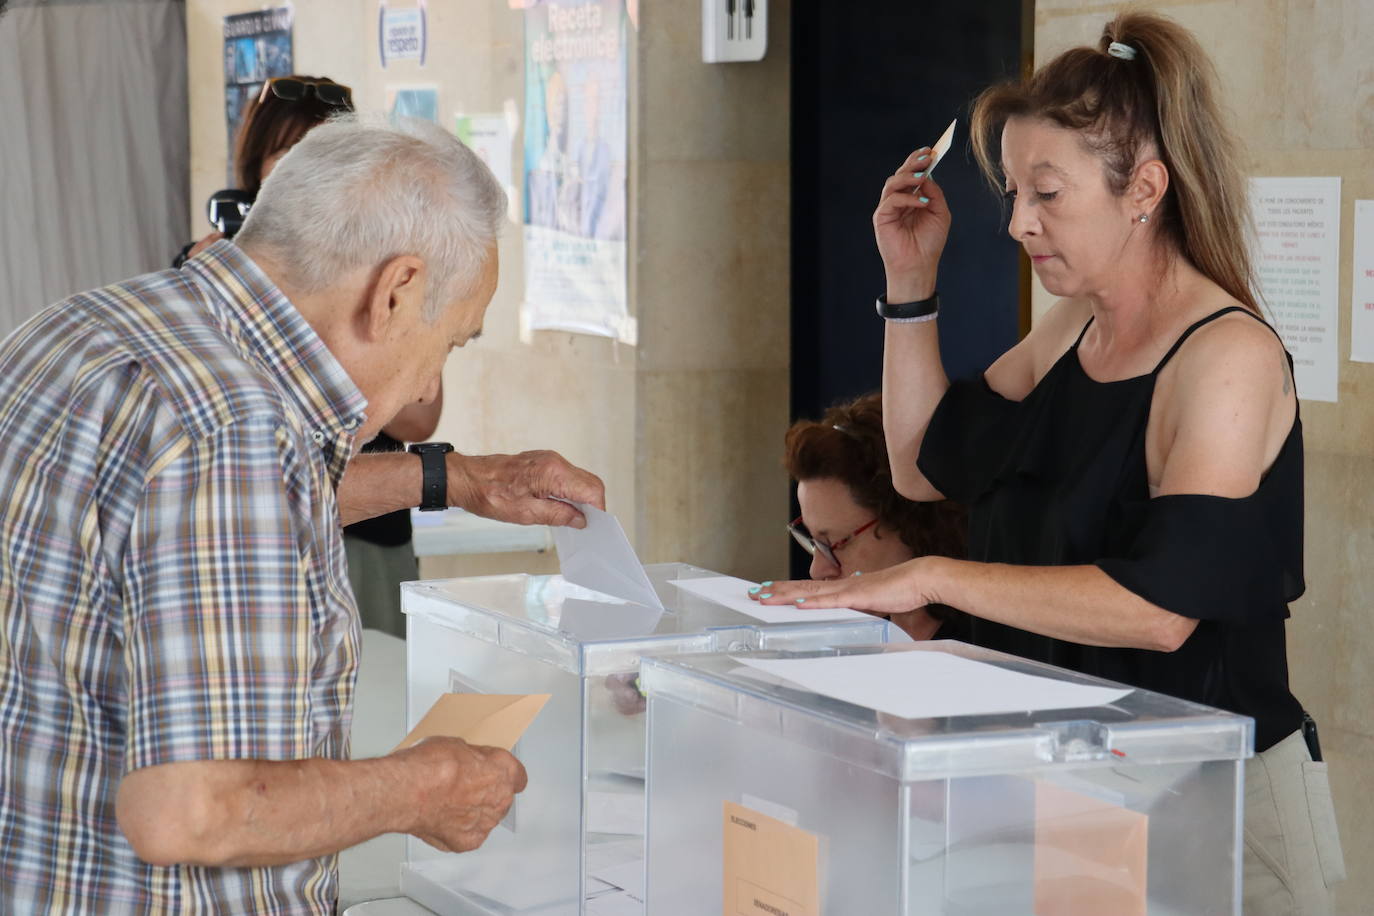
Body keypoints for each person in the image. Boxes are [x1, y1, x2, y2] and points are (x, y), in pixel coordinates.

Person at [753, 12, 1344, 914]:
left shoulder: (1228, 357)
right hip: (1081, 781)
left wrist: (931, 577)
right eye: (1014, 191)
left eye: (1048, 193)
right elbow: (919, 465)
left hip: (1214, 802)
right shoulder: (1075, 323)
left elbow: (1160, 612)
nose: (1019, 221)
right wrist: (909, 283)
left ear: (1144, 188)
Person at [0, 114, 605, 913]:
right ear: (395, 291)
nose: (428, 388)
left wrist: (449, 478)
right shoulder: (237, 429)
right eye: (450, 342)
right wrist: (420, 788)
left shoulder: (87, 329)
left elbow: (174, 519)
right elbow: (192, 811)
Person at [187, 75, 443, 637]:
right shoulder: (213, 271)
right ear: (256, 171)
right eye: (287, 154)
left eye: (320, 154)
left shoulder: (386, 263)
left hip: (368, 532)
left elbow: (418, 418)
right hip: (257, 527)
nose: (304, 172)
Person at [781, 392, 967, 640]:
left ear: (909, 522)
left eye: (838, 544)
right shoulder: (857, 633)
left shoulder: (992, 646)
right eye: (814, 543)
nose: (817, 570)